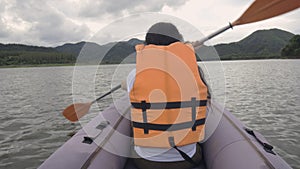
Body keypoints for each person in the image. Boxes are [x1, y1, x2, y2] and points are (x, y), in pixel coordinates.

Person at [122, 22, 210, 169]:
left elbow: (125, 85)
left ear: (148, 44)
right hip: (187, 160)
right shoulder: (195, 71)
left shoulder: (135, 74)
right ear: (178, 41)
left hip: (146, 161)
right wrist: (187, 52)